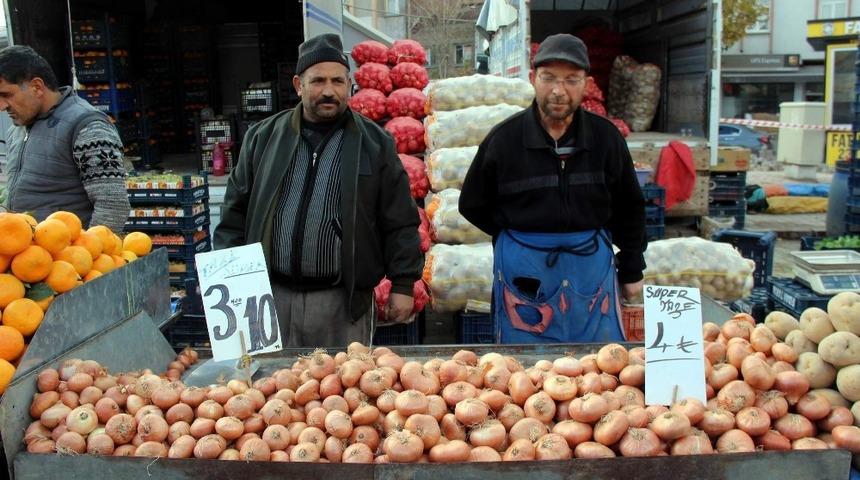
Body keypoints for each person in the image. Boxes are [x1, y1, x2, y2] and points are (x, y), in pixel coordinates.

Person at [214, 33, 423, 347]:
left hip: (341, 303)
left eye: (338, 81)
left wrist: (403, 285)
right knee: (269, 390)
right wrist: (230, 286)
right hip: (270, 298)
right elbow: (234, 215)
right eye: (318, 81)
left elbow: (400, 220)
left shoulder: (375, 144)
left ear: (349, 84)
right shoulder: (263, 138)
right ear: (299, 85)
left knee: (340, 392)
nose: (329, 91)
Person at [459, 33, 646, 343]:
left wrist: (631, 269)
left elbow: (631, 207)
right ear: (533, 79)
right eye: (549, 78)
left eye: (571, 80)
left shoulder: (606, 138)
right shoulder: (504, 140)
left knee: (598, 365)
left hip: (591, 267)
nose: (559, 90)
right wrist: (516, 234)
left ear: (586, 83)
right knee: (524, 372)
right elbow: (472, 203)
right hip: (525, 272)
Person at [0, 45, 129, 232]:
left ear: (37, 87)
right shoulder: (17, 129)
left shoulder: (86, 125)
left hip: (68, 256)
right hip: (26, 255)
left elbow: (112, 205)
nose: (2, 106)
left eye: (6, 95)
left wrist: (89, 253)